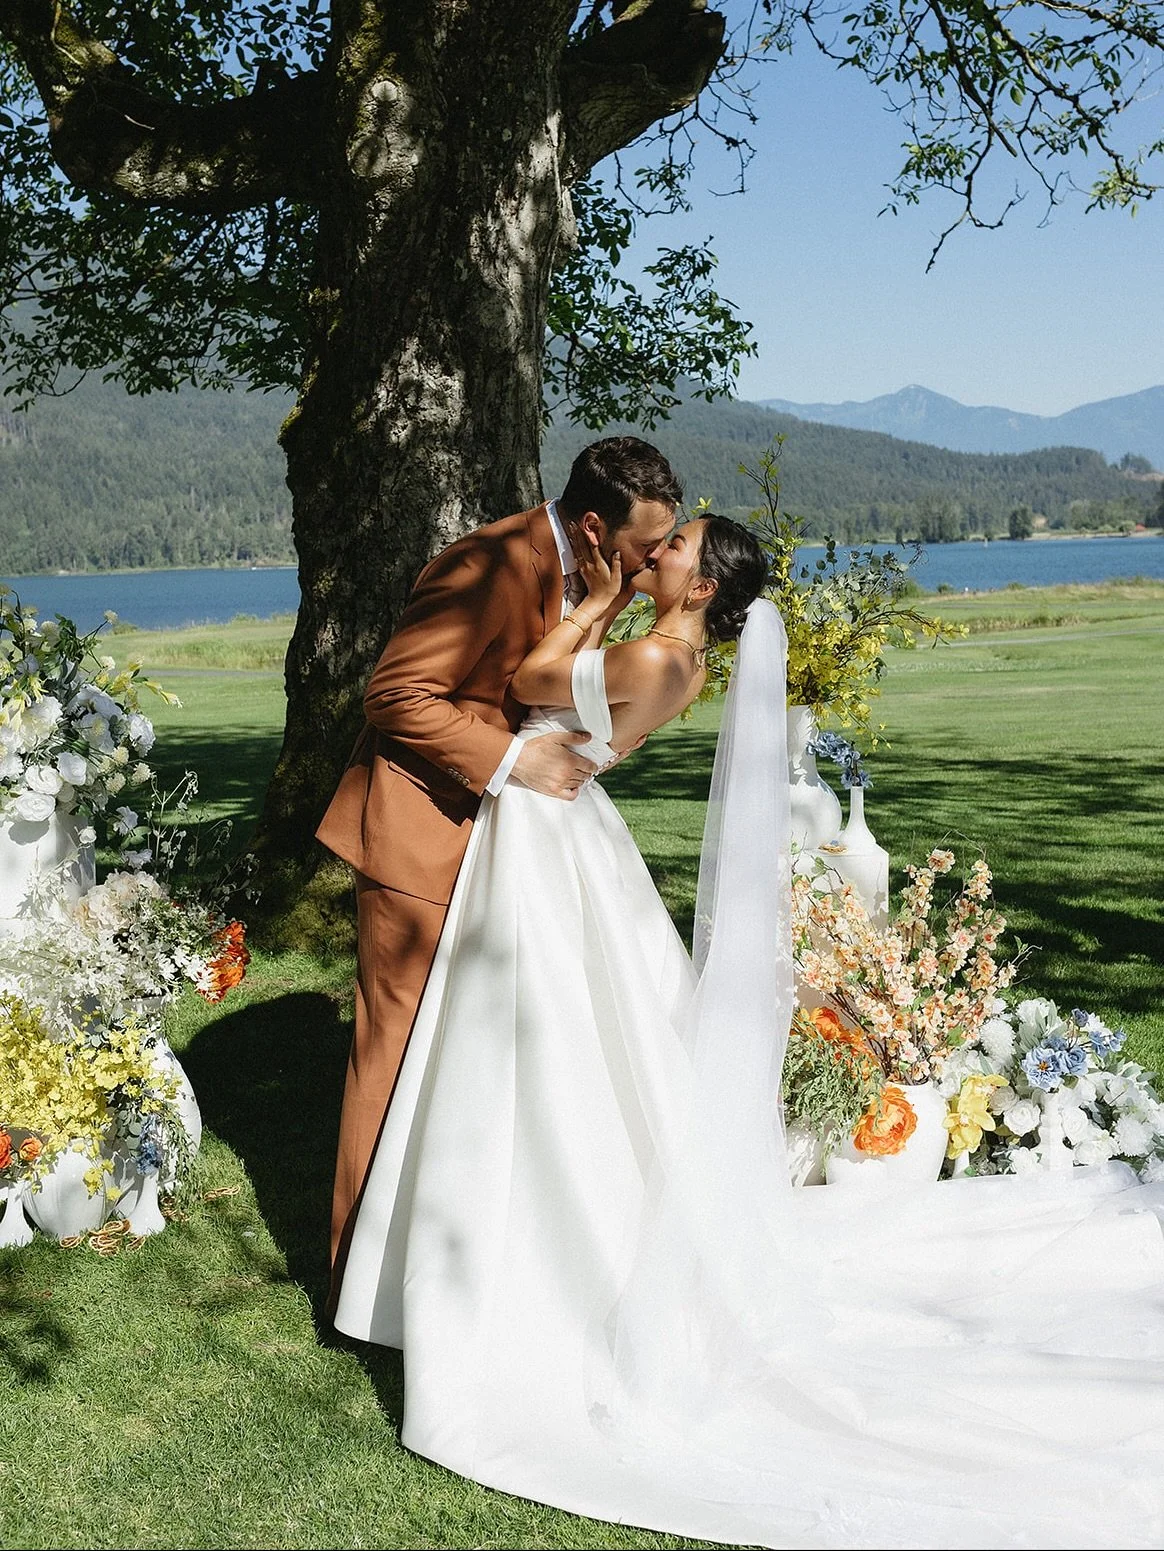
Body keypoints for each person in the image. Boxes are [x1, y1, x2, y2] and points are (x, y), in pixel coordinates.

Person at [334, 517, 1164, 1549]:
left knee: (542, 1040)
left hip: (547, 836)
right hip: (559, 832)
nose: (657, 550)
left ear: (703, 583)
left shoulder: (650, 652)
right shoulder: (672, 654)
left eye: (674, 546)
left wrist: (593, 604)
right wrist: (608, 609)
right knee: (577, 1036)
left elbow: (533, 681)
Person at [315, 437, 680, 1298]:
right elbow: (395, 695)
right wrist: (516, 764)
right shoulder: (480, 564)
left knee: (468, 1054)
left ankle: (450, 1271)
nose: (652, 563)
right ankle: (350, 1281)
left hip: (510, 845)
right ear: (594, 526)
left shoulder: (602, 574)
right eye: (643, 547)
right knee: (394, 1053)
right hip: (419, 834)